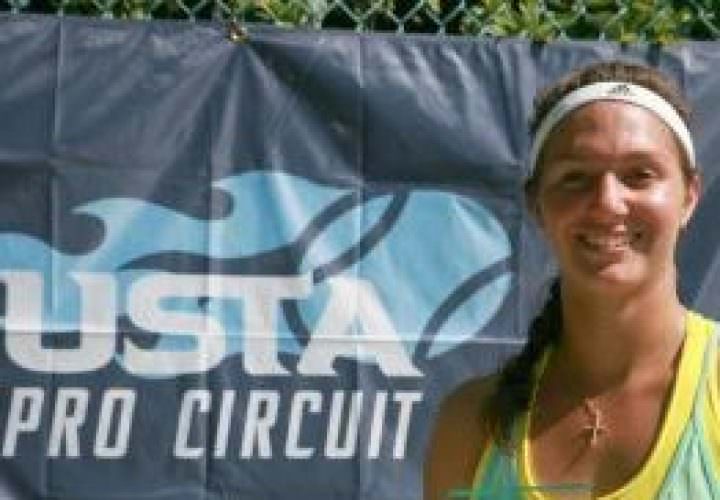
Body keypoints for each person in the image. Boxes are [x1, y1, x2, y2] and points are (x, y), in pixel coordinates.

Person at [424, 60, 719, 499]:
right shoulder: (471, 423)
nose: (608, 203)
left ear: (689, 197)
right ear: (536, 204)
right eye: (576, 178)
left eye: (640, 175)